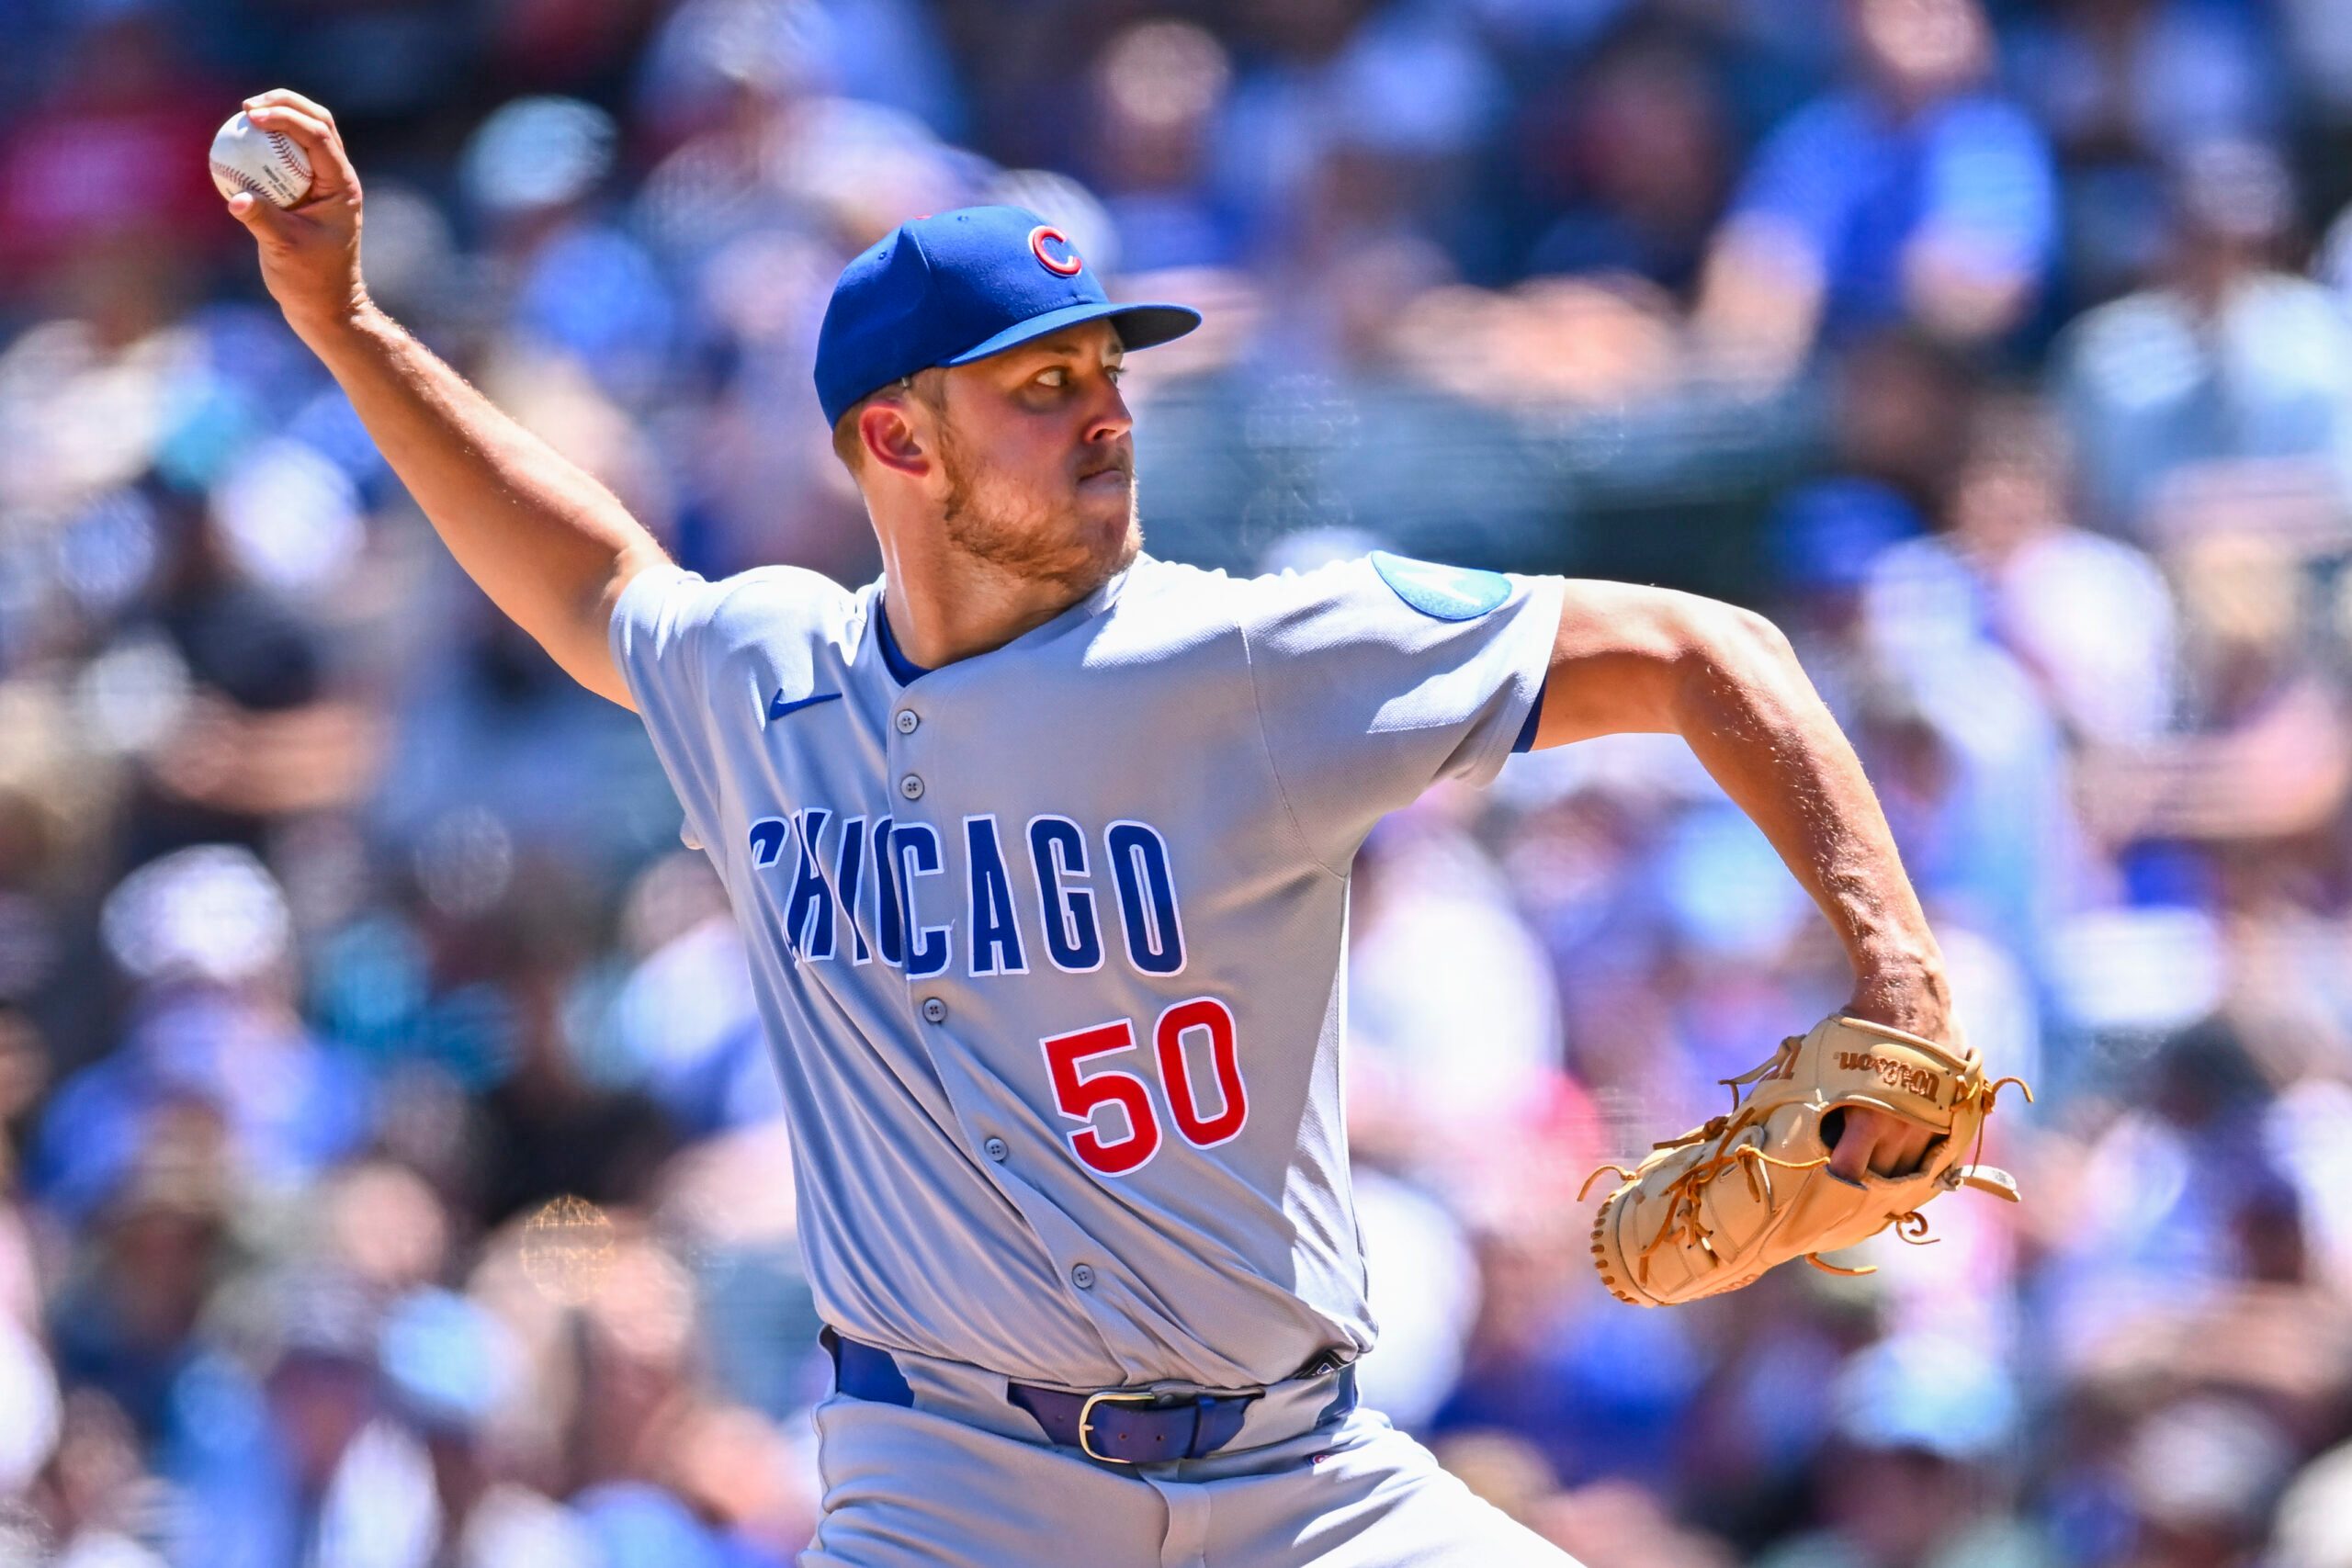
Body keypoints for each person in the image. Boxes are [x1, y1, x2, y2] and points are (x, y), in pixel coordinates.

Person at [226, 85, 1964, 1568]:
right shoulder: (761, 677)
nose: (1107, 413)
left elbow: (1698, 647)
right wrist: (349, 327)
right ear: (895, 439)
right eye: (1040, 385)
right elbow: (588, 575)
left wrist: (1902, 974)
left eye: (1106, 371)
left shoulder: (1247, 661)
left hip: (1299, 1476)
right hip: (949, 1489)